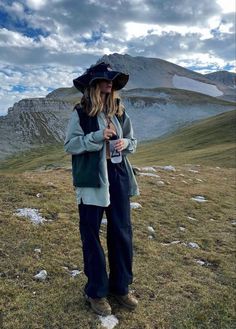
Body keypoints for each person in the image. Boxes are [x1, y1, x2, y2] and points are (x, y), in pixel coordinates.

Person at [64, 62, 139, 316]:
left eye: (113, 82)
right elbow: (70, 145)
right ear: (94, 84)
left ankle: (121, 287)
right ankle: (96, 292)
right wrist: (96, 137)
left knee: (121, 232)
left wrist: (124, 143)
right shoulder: (81, 113)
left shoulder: (119, 111)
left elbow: (133, 142)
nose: (111, 84)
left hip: (117, 175)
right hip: (92, 178)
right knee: (91, 235)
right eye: (106, 81)